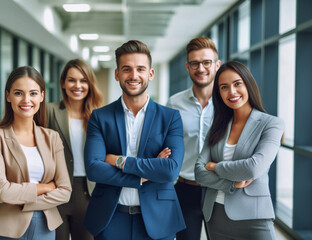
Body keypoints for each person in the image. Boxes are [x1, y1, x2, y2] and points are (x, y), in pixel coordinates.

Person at [83, 40, 186, 240]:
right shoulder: (99, 117)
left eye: (140, 69)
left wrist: (118, 160)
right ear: (117, 74)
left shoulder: (170, 117)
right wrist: (142, 175)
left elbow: (170, 169)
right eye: (127, 69)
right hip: (110, 218)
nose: (134, 76)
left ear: (151, 74)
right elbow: (94, 169)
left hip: (158, 220)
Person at [194, 61, 284, 239]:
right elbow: (198, 172)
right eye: (224, 87)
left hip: (254, 218)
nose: (232, 92)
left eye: (237, 84)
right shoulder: (217, 127)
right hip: (215, 216)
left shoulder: (271, 124)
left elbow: (253, 168)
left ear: (248, 84)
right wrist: (231, 184)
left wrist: (214, 167)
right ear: (219, 93)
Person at [0, 66, 72, 240]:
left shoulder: (52, 137)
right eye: (18, 93)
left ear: (42, 96)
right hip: (6, 228)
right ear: (8, 96)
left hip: (45, 228)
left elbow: (65, 191)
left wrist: (20, 200)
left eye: (33, 93)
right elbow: (1, 191)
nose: (26, 100)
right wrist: (45, 187)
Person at [167, 37, 220, 240]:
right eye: (195, 63)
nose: (201, 68)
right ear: (188, 67)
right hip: (185, 189)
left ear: (217, 65)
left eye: (206, 62)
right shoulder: (174, 103)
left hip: (219, 189)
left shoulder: (229, 102)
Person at [46, 59, 103, 240]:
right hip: (55, 191)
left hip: (88, 192)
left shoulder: (99, 116)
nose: (77, 85)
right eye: (71, 80)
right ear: (63, 83)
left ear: (90, 84)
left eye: (83, 80)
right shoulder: (49, 111)